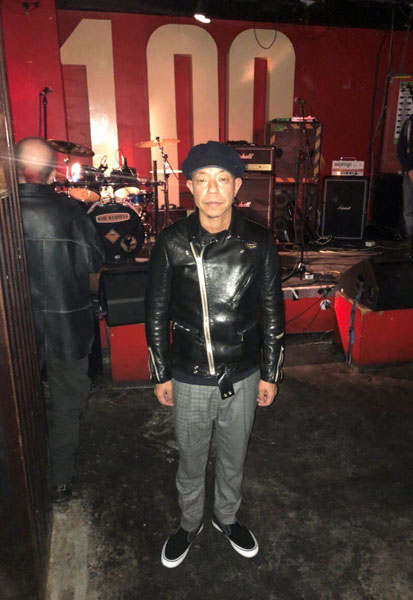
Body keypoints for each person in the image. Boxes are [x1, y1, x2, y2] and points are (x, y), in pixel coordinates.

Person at [145, 141, 285, 568]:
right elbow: (155, 311)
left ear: (237, 186)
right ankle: (189, 524)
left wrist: (270, 372)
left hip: (241, 373)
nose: (212, 190)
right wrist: (160, 372)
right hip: (188, 374)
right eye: (202, 179)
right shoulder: (171, 241)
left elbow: (272, 310)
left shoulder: (259, 241)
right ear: (189, 186)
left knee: (232, 457)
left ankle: (227, 518)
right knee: (190, 460)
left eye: (222, 179)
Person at [16, 137, 105, 502]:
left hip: (16, 328)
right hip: (68, 325)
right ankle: (60, 480)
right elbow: (94, 263)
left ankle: (23, 477)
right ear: (52, 173)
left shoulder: (4, 211)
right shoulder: (71, 211)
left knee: (17, 402)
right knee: (67, 401)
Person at [397, 113, 413, 243]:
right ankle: (409, 236)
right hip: (410, 172)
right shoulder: (409, 123)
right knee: (408, 207)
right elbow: (401, 149)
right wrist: (409, 169)